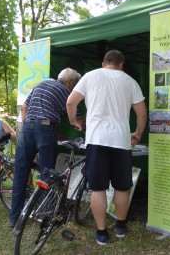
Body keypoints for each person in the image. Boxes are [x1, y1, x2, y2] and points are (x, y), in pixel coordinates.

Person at [66, 50, 147, 245]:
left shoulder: (90, 76)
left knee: (98, 188)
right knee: (121, 187)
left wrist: (73, 121)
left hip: (96, 139)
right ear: (121, 64)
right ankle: (120, 226)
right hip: (121, 141)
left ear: (104, 63)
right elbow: (142, 114)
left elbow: (71, 102)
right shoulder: (130, 81)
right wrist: (137, 133)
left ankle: (101, 232)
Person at [9, 68, 82, 227]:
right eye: (74, 84)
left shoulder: (41, 84)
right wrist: (82, 127)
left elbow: (24, 108)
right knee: (47, 174)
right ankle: (45, 216)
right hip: (45, 130)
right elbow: (76, 119)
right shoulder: (66, 92)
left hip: (27, 128)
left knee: (21, 174)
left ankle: (15, 218)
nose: (74, 88)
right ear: (70, 82)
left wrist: (32, 126)